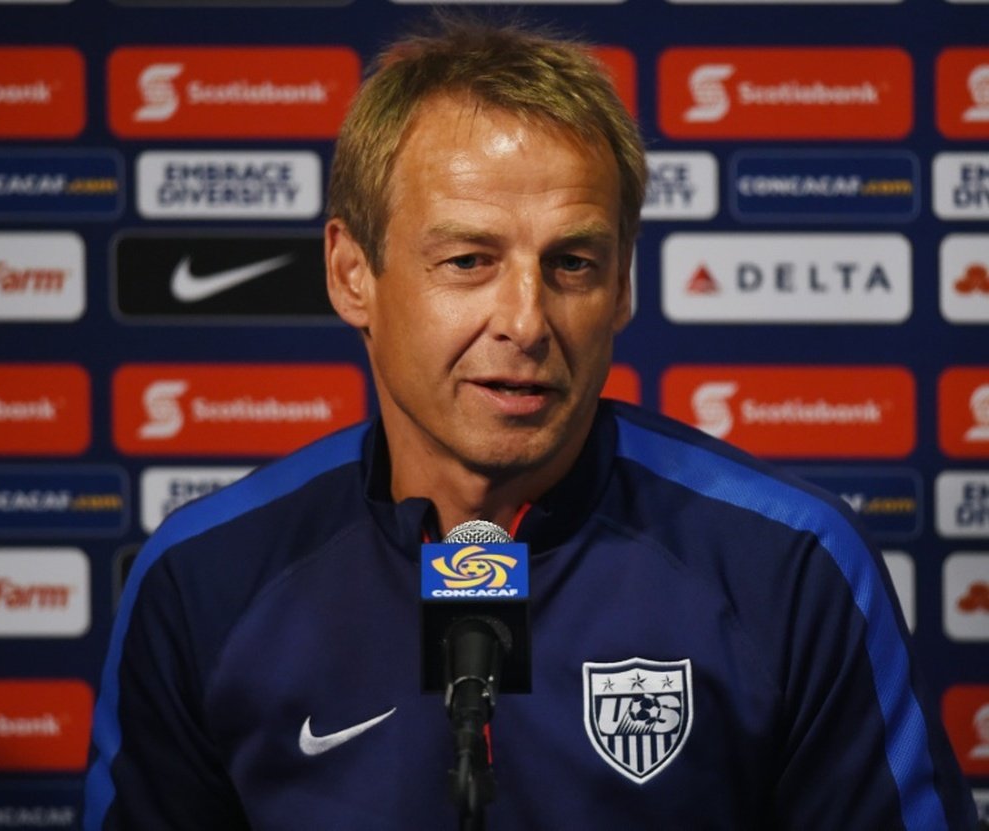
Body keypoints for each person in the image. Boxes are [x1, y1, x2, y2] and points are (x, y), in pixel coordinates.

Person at [83, 16, 979, 830]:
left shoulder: (791, 569)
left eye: (573, 262)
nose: (526, 319)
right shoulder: (203, 579)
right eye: (469, 259)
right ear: (353, 273)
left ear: (623, 285)